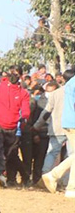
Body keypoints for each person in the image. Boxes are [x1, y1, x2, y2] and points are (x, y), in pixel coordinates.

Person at [0, 69, 30, 185]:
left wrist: (24, 117)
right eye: (11, 74)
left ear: (21, 76)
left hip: (14, 127)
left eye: (16, 74)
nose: (13, 76)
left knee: (11, 154)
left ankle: (21, 174)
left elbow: (25, 109)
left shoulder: (23, 93)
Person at [41, 69, 75, 197]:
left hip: (64, 123)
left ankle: (54, 176)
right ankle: (59, 179)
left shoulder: (69, 84)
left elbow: (46, 112)